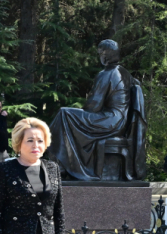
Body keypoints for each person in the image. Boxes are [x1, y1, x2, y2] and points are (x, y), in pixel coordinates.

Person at [49, 39, 147, 181]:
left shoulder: (107, 73)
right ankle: (64, 164)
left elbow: (94, 106)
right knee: (67, 115)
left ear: (105, 54)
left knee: (64, 113)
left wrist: (81, 111)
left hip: (109, 120)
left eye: (100, 53)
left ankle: (61, 164)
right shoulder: (124, 72)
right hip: (120, 122)